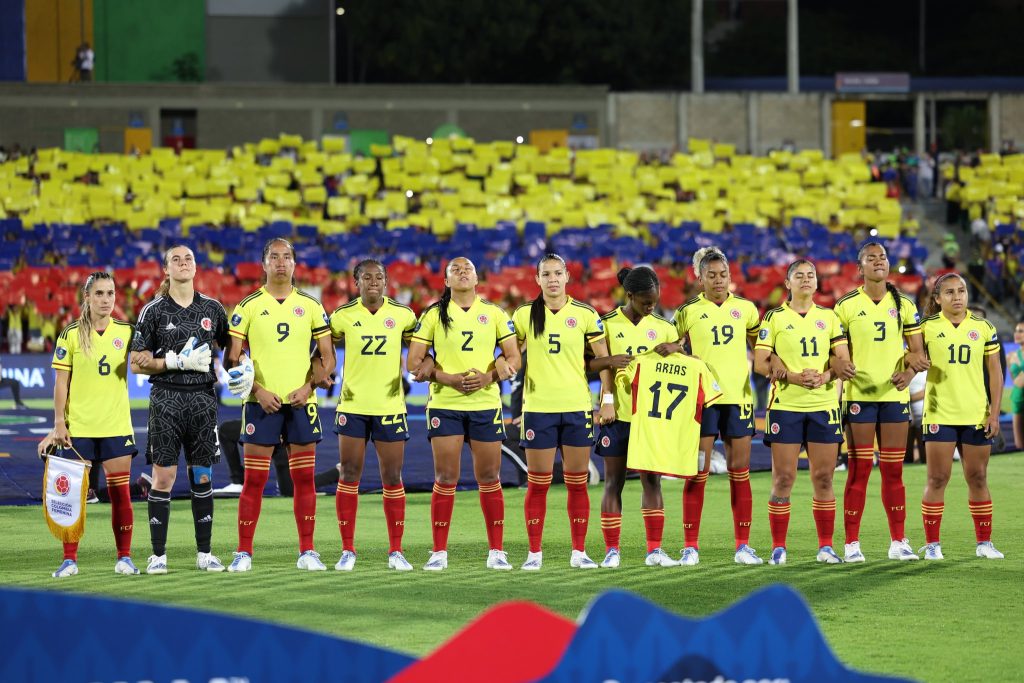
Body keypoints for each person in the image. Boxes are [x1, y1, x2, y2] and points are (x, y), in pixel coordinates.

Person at [224, 238, 335, 572]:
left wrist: (309, 385)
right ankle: (244, 552)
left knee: (303, 480)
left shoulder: (312, 306)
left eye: (287, 257)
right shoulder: (248, 306)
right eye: (275, 257)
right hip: (262, 404)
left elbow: (328, 358)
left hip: (301, 403)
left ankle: (308, 551)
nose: (281, 263)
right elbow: (232, 358)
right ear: (264, 264)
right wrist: (257, 390)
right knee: (254, 481)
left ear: (295, 264)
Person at [406, 257, 521, 571]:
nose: (461, 271)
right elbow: (413, 363)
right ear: (446, 281)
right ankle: (439, 552)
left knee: (489, 478)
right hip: (446, 404)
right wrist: (449, 379)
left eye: (467, 268)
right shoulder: (433, 314)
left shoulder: (494, 313)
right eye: (454, 269)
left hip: (485, 404)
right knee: (446, 477)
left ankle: (497, 551)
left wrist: (489, 377)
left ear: (477, 277)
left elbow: (513, 357)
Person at [512, 253, 621, 571]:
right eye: (546, 274)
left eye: (558, 273)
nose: (552, 279)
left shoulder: (586, 314)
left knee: (578, 481)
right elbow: (512, 357)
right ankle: (534, 553)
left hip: (576, 408)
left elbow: (604, 362)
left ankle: (579, 552)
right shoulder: (523, 315)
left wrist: (608, 400)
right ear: (537, 280)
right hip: (538, 410)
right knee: (538, 483)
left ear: (567, 277)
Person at [130, 245, 229, 574]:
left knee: (203, 475)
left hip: (203, 400)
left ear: (196, 267)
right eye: (176, 259)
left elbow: (234, 349)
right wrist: (172, 361)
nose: (183, 263)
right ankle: (158, 555)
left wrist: (242, 372)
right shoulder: (153, 311)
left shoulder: (213, 309)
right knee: (164, 477)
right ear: (166, 269)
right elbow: (136, 362)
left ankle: (205, 553)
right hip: (166, 400)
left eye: (188, 259)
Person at [832, 242, 930, 562]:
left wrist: (909, 370)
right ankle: (851, 544)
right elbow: (834, 352)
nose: (879, 261)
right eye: (871, 258)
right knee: (859, 469)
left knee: (893, 471)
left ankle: (898, 541)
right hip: (860, 396)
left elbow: (918, 352)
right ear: (860, 268)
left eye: (883, 257)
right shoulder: (845, 306)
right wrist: (840, 367)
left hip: (893, 397)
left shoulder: (903, 304)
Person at [41, 272, 140, 578]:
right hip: (79, 428)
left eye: (110, 293)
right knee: (71, 497)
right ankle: (69, 560)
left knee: (121, 494)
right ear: (87, 298)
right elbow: (61, 384)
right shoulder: (70, 334)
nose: (106, 299)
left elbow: (145, 362)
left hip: (116, 426)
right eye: (99, 293)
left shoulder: (127, 332)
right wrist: (58, 423)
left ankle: (124, 557)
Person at [753, 259, 851, 566]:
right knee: (784, 478)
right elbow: (759, 363)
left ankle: (825, 547)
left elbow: (842, 362)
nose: (806, 280)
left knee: (823, 478)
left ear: (817, 282)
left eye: (811, 275)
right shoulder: (774, 317)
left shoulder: (830, 317)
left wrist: (824, 377)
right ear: (788, 283)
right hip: (786, 407)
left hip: (823, 406)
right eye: (799, 275)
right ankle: (778, 548)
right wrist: (795, 377)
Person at [673, 247, 763, 566]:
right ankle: (690, 546)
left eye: (723, 274)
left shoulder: (747, 310)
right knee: (697, 473)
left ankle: (742, 546)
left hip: (738, 400)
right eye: (711, 275)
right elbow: (672, 349)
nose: (718, 280)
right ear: (700, 280)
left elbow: (762, 350)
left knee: (740, 473)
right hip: (702, 401)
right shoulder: (686, 312)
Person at [329, 259, 418, 572]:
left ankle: (396, 551)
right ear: (356, 282)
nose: (373, 282)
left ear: (386, 280)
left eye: (378, 277)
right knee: (349, 474)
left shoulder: (404, 316)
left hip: (390, 406)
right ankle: (347, 550)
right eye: (366, 277)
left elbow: (421, 352)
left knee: (392, 478)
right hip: (352, 407)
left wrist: (425, 369)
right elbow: (322, 351)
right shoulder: (341, 317)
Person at [595, 266, 680, 569]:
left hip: (652, 417)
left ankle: (655, 551)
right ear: (629, 295)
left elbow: (682, 369)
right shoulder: (605, 324)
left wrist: (678, 349)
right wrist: (606, 399)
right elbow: (591, 364)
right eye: (645, 302)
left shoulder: (665, 328)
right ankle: (611, 551)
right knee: (614, 482)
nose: (650, 307)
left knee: (652, 481)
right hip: (617, 413)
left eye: (654, 302)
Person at [918, 273, 1004, 560]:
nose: (958, 297)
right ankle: (932, 545)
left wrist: (994, 413)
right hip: (939, 412)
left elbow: (995, 372)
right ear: (938, 298)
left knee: (978, 477)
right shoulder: (926, 327)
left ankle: (984, 543)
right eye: (951, 292)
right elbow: (910, 356)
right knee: (938, 478)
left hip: (976, 414)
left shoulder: (983, 327)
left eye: (962, 291)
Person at [1008, 320, 1024, 450]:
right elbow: (1013, 379)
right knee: (1019, 443)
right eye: (1016, 331)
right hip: (1017, 399)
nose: (1017, 334)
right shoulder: (1010, 356)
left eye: (1021, 331)